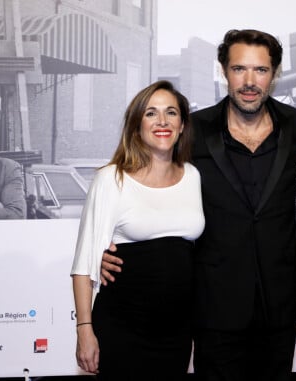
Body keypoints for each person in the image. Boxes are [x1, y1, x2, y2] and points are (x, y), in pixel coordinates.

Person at [101, 29, 296, 381]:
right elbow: (147, 182)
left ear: (274, 75)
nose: (249, 81)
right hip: (213, 302)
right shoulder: (194, 130)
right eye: (238, 69)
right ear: (223, 71)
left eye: (260, 70)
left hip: (279, 303)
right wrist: (109, 242)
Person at [70, 80, 205, 380]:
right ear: (136, 126)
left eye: (171, 113)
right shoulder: (111, 179)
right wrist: (85, 331)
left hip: (177, 332)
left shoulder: (194, 176)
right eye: (151, 113)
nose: (162, 121)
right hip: (122, 328)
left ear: (182, 125)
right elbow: (83, 265)